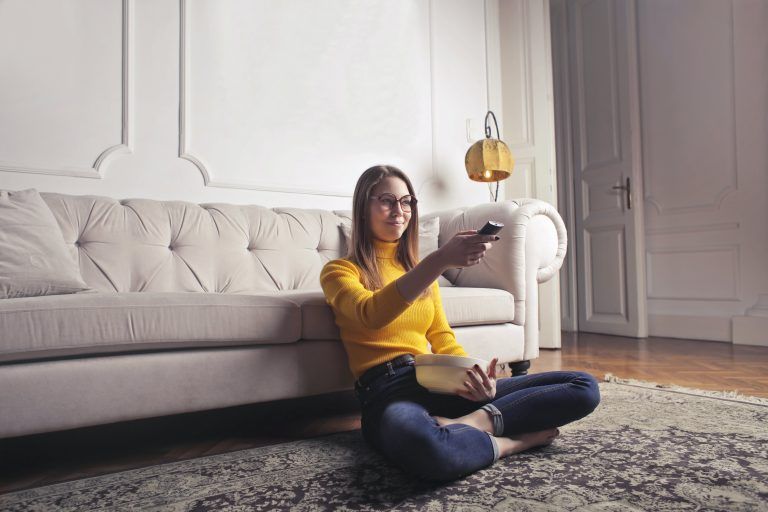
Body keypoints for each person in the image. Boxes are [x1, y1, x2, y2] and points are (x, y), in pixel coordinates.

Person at [320, 165, 600, 482]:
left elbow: (443, 339)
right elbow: (372, 314)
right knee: (425, 446)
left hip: (436, 379)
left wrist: (475, 379)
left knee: (583, 386)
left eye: (407, 201)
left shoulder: (421, 278)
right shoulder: (339, 272)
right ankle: (509, 442)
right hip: (386, 394)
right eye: (386, 200)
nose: (399, 211)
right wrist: (438, 259)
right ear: (363, 208)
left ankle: (477, 423)